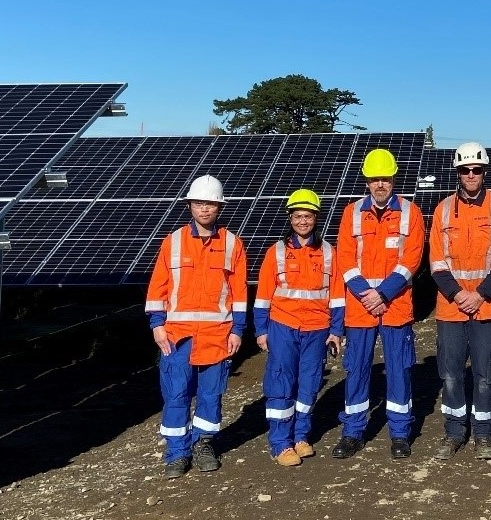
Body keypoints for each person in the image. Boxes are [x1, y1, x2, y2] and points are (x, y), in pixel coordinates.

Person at [145, 175, 248, 479]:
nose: (205, 208)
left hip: (218, 335)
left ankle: (203, 445)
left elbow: (239, 292)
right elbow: (158, 287)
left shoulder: (232, 243)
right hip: (177, 335)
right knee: (176, 393)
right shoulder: (172, 241)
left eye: (211, 203)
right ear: (190, 205)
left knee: (210, 394)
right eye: (200, 203)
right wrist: (157, 324)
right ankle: (177, 453)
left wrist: (238, 329)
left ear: (219, 207)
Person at [331, 149, 426, 460]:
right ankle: (353, 432)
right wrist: (366, 293)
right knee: (356, 369)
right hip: (360, 307)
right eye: (375, 180)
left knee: (399, 369)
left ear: (394, 179)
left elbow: (411, 259)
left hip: (395, 304)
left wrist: (382, 294)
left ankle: (400, 433)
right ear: (367, 182)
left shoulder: (411, 213)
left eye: (385, 179)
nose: (380, 184)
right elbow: (344, 258)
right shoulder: (351, 213)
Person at [428, 142, 491, 461]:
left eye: (477, 169)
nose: (471, 175)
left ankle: (483, 433)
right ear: (458, 173)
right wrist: (459, 294)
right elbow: (437, 262)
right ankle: (454, 432)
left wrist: (479, 295)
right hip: (451, 307)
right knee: (450, 373)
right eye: (465, 170)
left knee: (485, 374)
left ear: (485, 171)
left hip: (487, 306)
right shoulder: (443, 210)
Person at [253, 189, 345, 467]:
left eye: (307, 216)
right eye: (297, 216)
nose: (302, 221)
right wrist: (261, 330)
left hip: (317, 329)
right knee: (281, 383)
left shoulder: (329, 252)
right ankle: (281, 444)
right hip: (283, 326)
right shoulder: (277, 252)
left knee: (310, 384)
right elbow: (263, 295)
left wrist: (336, 330)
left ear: (316, 218)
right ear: (290, 219)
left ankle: (301, 436)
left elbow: (337, 295)